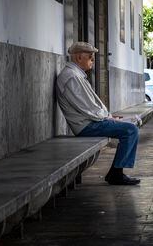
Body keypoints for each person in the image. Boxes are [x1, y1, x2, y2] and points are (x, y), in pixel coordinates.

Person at [56, 41, 140, 185]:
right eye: (90, 57)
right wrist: (110, 119)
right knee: (130, 130)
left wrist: (111, 118)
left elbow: (89, 107)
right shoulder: (72, 77)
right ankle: (116, 174)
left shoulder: (76, 75)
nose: (93, 61)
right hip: (87, 125)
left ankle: (116, 172)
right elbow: (88, 108)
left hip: (91, 121)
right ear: (78, 58)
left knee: (130, 125)